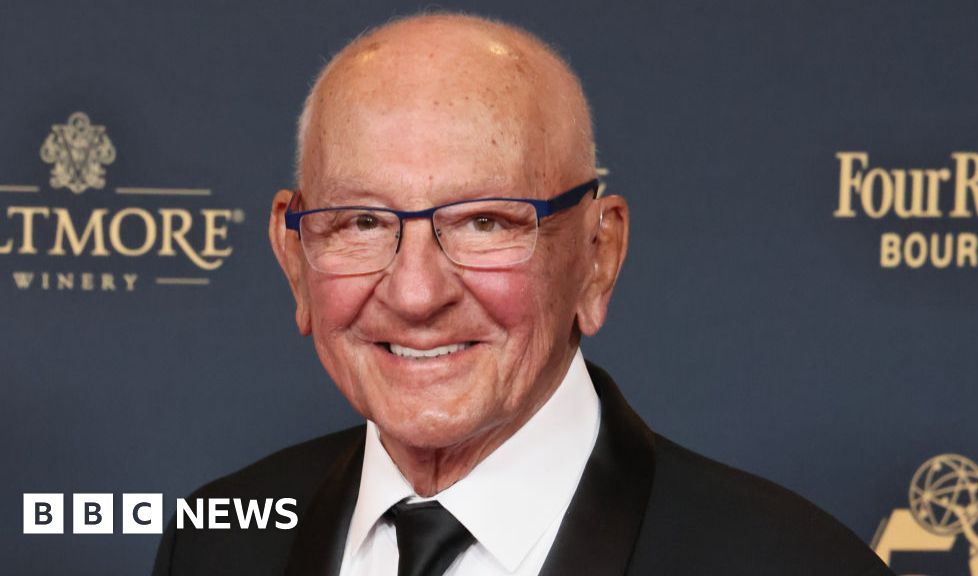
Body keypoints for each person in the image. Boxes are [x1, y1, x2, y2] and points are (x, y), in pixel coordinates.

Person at [153, 12, 894, 576]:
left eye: (485, 222)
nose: (416, 293)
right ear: (294, 256)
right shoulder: (217, 541)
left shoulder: (794, 564)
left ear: (598, 257)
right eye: (362, 222)